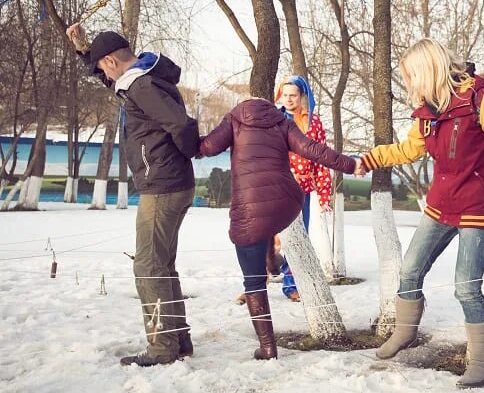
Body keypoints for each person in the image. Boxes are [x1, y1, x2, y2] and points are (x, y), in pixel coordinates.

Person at [356, 38, 484, 388]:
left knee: (466, 288)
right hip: (440, 205)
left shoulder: (478, 100)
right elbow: (409, 151)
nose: (409, 85)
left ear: (427, 71)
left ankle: (481, 363)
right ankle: (405, 332)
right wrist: (372, 158)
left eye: (411, 76)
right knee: (409, 270)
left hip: (478, 208)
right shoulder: (425, 114)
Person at [66, 23, 199, 367]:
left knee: (148, 266)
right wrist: (85, 51)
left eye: (99, 66)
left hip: (163, 185)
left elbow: (182, 125)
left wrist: (187, 152)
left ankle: (162, 348)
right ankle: (177, 340)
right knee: (161, 264)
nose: (101, 74)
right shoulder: (141, 78)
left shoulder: (142, 85)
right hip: (171, 182)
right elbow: (114, 82)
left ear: (110, 60)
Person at [198, 98, 357, 360]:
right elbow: (313, 150)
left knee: (253, 280)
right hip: (287, 202)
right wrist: (351, 164)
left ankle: (267, 348)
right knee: (268, 225)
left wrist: (184, 140)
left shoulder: (235, 119)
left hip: (249, 213)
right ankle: (273, 260)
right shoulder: (282, 121)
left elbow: (208, 146)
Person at [272, 77, 333, 301]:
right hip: (276, 188)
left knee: (298, 238)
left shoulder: (313, 123)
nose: (288, 99)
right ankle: (254, 284)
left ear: (301, 97)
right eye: (285, 95)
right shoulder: (273, 119)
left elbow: (321, 158)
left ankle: (291, 285)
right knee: (268, 238)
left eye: (293, 95)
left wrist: (325, 195)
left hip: (302, 192)